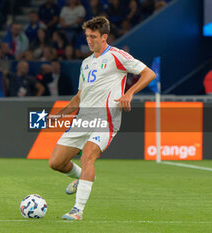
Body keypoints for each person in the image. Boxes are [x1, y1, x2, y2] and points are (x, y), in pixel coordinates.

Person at [47, 16, 155, 220]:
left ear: (104, 37)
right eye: (87, 36)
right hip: (83, 119)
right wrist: (58, 116)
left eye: (93, 37)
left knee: (88, 155)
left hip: (106, 119)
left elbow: (148, 74)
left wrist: (129, 93)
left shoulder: (117, 56)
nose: (89, 41)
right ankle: (82, 178)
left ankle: (77, 210)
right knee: (56, 162)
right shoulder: (86, 63)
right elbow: (79, 97)